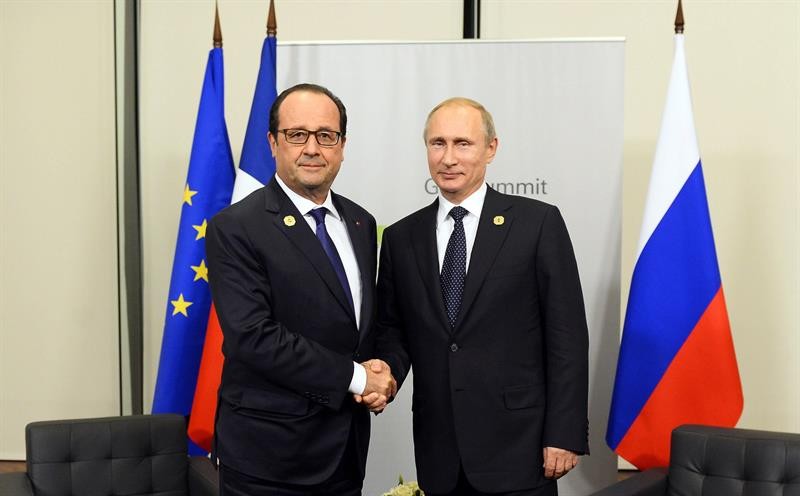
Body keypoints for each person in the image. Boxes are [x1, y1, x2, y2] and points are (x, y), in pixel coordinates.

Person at [371, 97, 589, 495]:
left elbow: (567, 338)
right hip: (440, 453)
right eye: (438, 143)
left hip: (521, 449)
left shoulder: (537, 224)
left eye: (463, 143)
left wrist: (565, 432)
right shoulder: (402, 238)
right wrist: (385, 372)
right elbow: (393, 330)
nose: (448, 158)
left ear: (491, 148)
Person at [206, 83, 395, 496]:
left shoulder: (361, 223)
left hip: (344, 452)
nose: (312, 148)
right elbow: (252, 336)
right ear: (273, 142)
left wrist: (383, 372)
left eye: (326, 136)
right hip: (268, 459)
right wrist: (358, 378)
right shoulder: (236, 227)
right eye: (297, 135)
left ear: (342, 146)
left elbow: (361, 325)